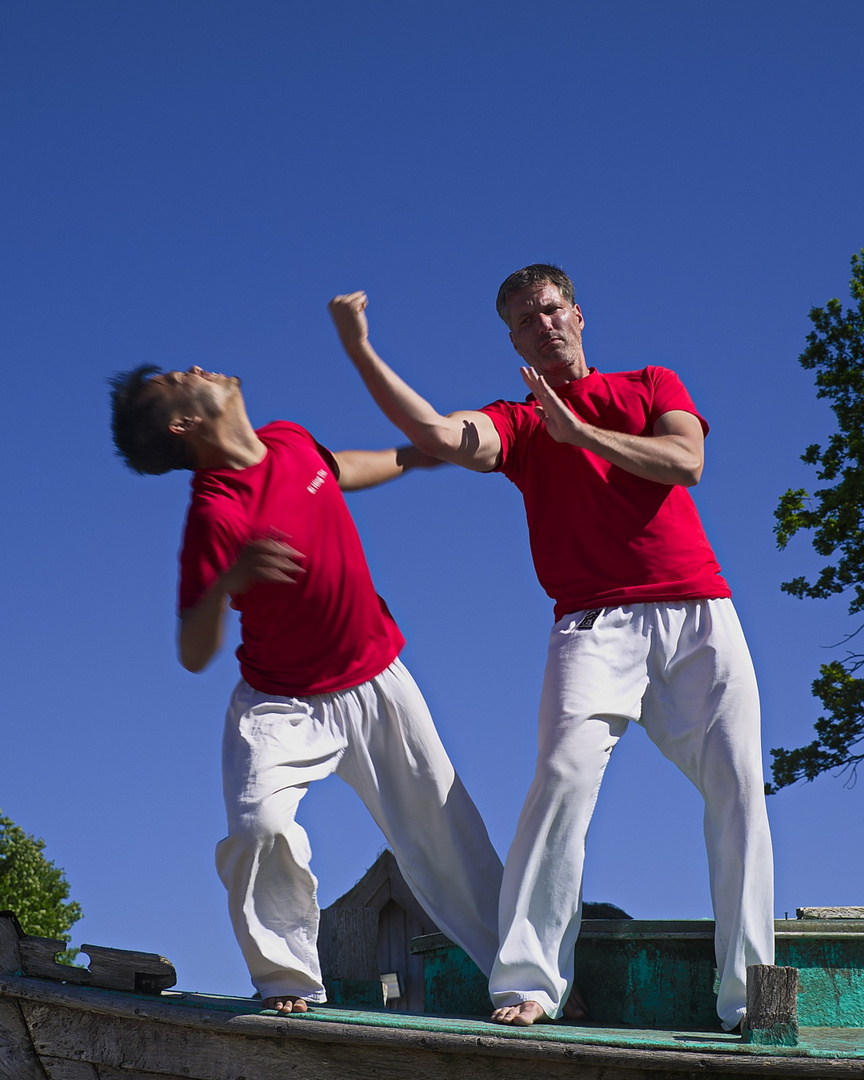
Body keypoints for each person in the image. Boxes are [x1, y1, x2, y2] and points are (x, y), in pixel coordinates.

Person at [327, 264, 775, 1032]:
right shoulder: (523, 421)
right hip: (592, 628)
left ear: (577, 313)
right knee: (562, 776)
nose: (544, 325)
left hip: (699, 613)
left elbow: (688, 462)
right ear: (514, 341)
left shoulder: (650, 383)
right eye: (525, 322)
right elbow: (437, 434)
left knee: (738, 791)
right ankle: (530, 982)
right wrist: (360, 347)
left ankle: (746, 997)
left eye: (551, 309)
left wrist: (587, 433)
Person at [109, 363, 502, 1015]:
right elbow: (191, 650)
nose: (194, 368)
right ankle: (288, 981)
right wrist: (228, 578)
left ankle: (525, 978)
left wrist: (413, 456)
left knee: (446, 833)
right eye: (177, 380)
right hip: (281, 704)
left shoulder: (288, 439)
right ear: (185, 423)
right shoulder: (216, 512)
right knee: (259, 830)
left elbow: (340, 470)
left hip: (377, 682)